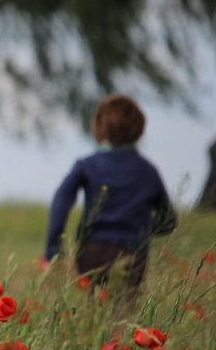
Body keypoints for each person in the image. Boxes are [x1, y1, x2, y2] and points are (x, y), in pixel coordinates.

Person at [43, 93, 176, 296]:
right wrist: (141, 229)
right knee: (123, 314)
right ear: (138, 130)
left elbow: (61, 200)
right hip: (132, 253)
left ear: (100, 127)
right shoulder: (148, 171)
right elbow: (168, 221)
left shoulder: (87, 165)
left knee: (94, 312)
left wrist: (54, 249)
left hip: (91, 251)